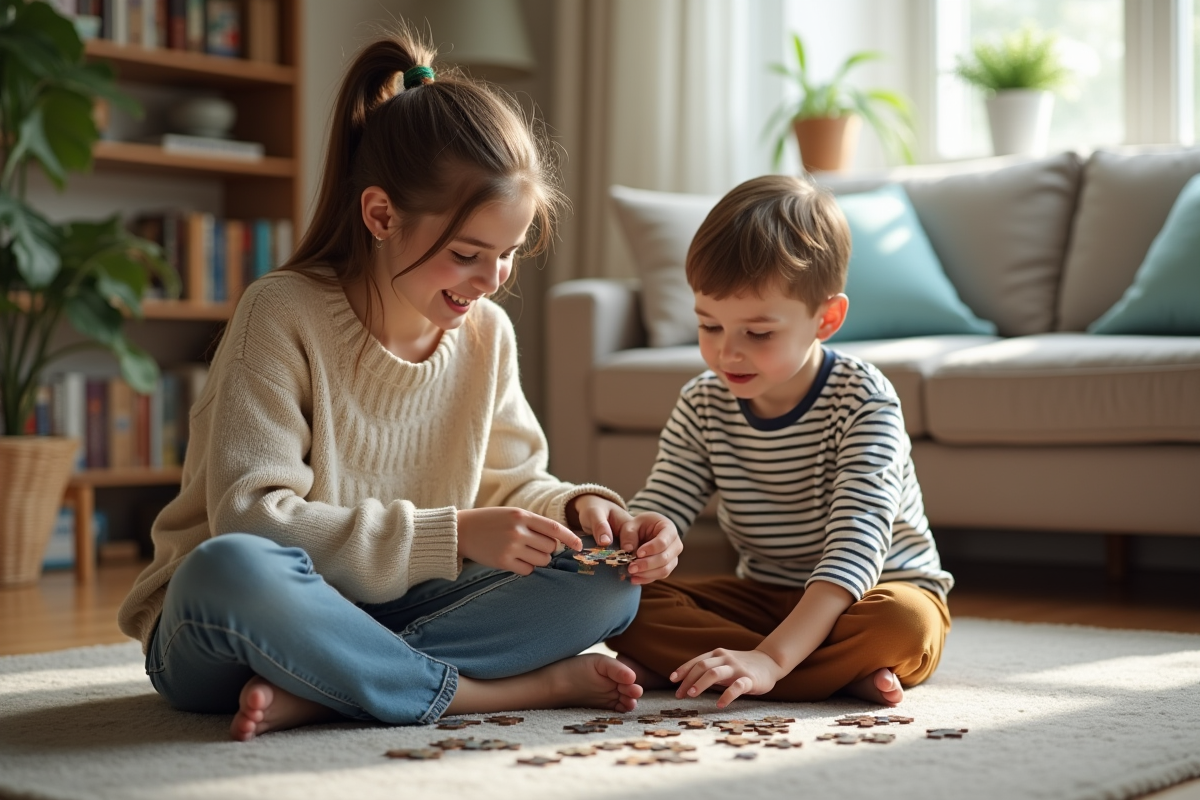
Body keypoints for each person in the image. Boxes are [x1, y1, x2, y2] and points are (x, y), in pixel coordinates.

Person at [117, 26, 683, 742]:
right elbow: (254, 519)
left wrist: (588, 515)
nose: (491, 282)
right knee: (228, 567)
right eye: (468, 254)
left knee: (606, 585)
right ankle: (474, 692)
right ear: (381, 215)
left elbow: (511, 485)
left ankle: (334, 688)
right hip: (239, 628)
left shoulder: (486, 335)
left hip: (395, 615)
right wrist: (453, 537)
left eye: (507, 255)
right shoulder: (282, 312)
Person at [607, 174, 954, 709]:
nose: (728, 354)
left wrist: (771, 658)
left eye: (758, 333)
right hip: (765, 597)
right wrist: (645, 541)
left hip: (871, 591)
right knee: (618, 600)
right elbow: (664, 504)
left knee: (903, 625)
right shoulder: (703, 401)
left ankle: (747, 668)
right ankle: (834, 678)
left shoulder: (864, 400)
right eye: (709, 326)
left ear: (826, 318)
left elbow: (854, 551)